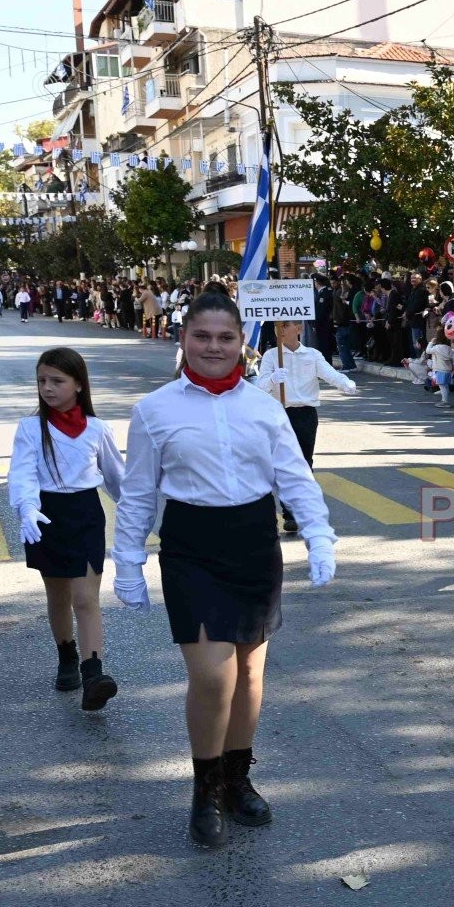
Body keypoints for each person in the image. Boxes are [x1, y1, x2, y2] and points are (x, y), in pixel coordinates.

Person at [114, 289, 337, 849]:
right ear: (183, 338)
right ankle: (205, 787)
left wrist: (318, 534)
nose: (213, 347)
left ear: (243, 343)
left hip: (254, 543)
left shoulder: (263, 406)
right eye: (202, 336)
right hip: (192, 543)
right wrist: (127, 559)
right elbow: (138, 493)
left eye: (225, 337)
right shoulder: (155, 409)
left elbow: (294, 477)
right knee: (214, 677)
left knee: (251, 675)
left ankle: (238, 779)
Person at [11, 348, 124, 709]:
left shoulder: (97, 428)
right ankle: (66, 656)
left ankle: (94, 674)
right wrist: (27, 507)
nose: (47, 388)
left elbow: (117, 477)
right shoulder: (31, 428)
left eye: (57, 381)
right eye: (42, 380)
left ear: (78, 384)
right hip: (46, 515)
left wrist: (139, 512)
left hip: (86, 512)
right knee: (58, 595)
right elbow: (22, 472)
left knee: (85, 598)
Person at [253, 319, 355, 532]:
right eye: (276, 326)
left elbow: (330, 374)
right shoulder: (272, 356)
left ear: (298, 329)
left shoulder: (312, 355)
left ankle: (303, 509)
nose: (279, 329)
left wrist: (345, 383)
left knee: (304, 463)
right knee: (282, 463)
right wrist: (272, 379)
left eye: (285, 325)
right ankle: (290, 513)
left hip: (305, 415)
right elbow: (260, 388)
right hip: (279, 414)